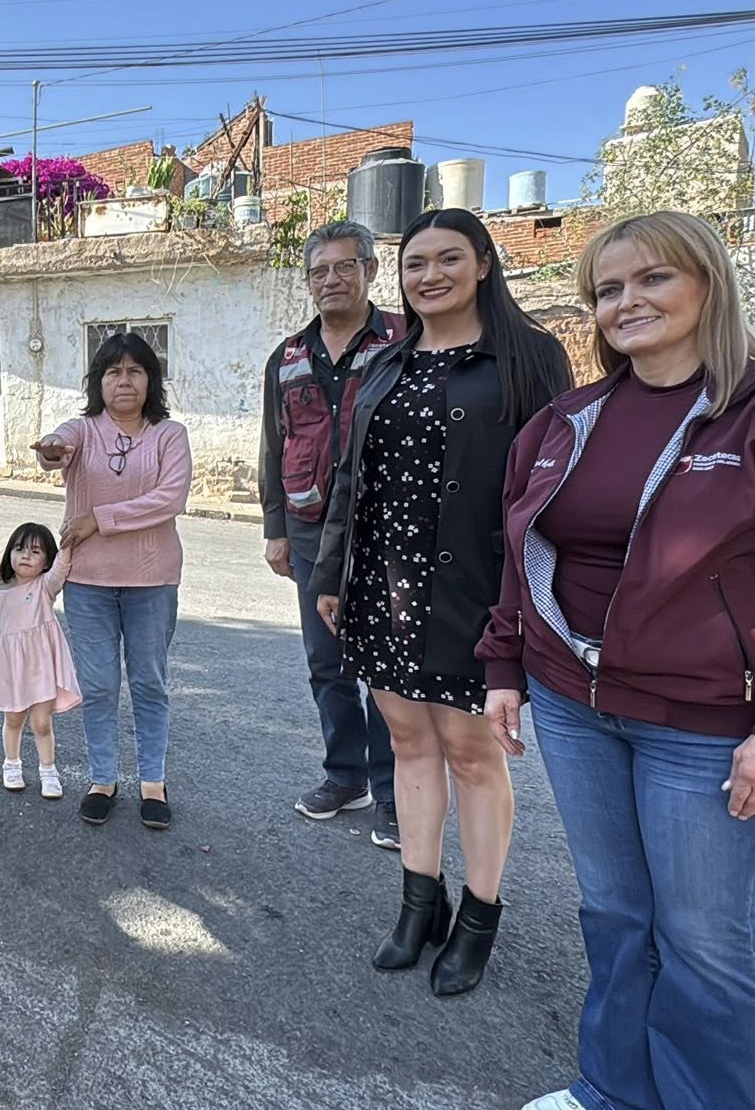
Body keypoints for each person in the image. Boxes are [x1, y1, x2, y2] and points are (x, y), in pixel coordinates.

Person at [481, 212, 755, 1110]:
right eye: (608, 289)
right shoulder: (566, 420)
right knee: (615, 916)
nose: (627, 302)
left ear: (708, 282)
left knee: (707, 942)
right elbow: (523, 552)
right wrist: (504, 665)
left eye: (653, 278)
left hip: (707, 727)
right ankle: (613, 1090)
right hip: (575, 706)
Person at [313, 207, 573, 997]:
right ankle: (418, 904)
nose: (430, 276)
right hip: (384, 587)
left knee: (471, 753)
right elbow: (350, 476)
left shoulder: (529, 357)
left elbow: (553, 491)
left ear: (485, 263)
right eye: (416, 263)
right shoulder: (389, 362)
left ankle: (478, 916)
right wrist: (331, 573)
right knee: (408, 742)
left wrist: (526, 605)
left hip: (476, 591)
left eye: (449, 258)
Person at [259, 220, 406, 849]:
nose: (331, 280)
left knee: (388, 667)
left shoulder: (404, 340)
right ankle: (346, 776)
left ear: (370, 270)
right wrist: (276, 528)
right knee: (327, 661)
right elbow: (274, 445)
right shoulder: (288, 356)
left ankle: (396, 793)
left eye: (345, 266)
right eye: (319, 271)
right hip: (310, 527)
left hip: (385, 526)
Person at [33, 331, 193, 829]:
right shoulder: (83, 431)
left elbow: (170, 499)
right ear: (98, 382)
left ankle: (152, 782)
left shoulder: (170, 436)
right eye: (113, 372)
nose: (124, 381)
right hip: (89, 582)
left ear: (151, 380)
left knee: (149, 683)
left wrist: (99, 519)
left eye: (135, 371)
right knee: (100, 685)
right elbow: (58, 444)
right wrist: (51, 450)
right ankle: (102, 779)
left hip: (152, 581)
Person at [0, 522, 78, 801]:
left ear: (46, 560)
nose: (25, 556)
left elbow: (61, 570)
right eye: (19, 549)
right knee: (13, 718)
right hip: (11, 668)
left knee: (41, 722)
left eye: (35, 551)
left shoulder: (45, 587)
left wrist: (68, 544)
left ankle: (48, 771)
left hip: (42, 667)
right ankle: (11, 765)